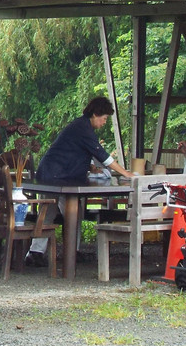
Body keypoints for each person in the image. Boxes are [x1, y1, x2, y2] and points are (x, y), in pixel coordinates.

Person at [25, 97, 134, 266]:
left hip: (53, 173)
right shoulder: (83, 128)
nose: (105, 122)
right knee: (70, 212)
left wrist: (90, 167)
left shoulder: (80, 126)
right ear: (95, 114)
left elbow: (74, 151)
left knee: (52, 212)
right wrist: (126, 173)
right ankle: (67, 253)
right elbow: (103, 156)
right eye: (104, 118)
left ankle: (37, 252)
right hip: (56, 176)